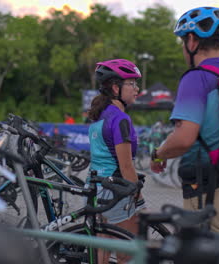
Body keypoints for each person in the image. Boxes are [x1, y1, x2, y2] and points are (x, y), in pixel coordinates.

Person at [150, 6, 219, 234]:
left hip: (212, 197)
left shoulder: (197, 78)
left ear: (191, 41)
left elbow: (184, 138)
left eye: (182, 41)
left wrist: (158, 154)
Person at [87, 59, 144, 263]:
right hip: (116, 189)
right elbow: (126, 165)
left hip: (97, 186)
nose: (137, 88)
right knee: (127, 253)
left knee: (102, 248)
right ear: (115, 87)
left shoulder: (99, 115)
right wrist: (139, 195)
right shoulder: (120, 119)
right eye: (132, 83)